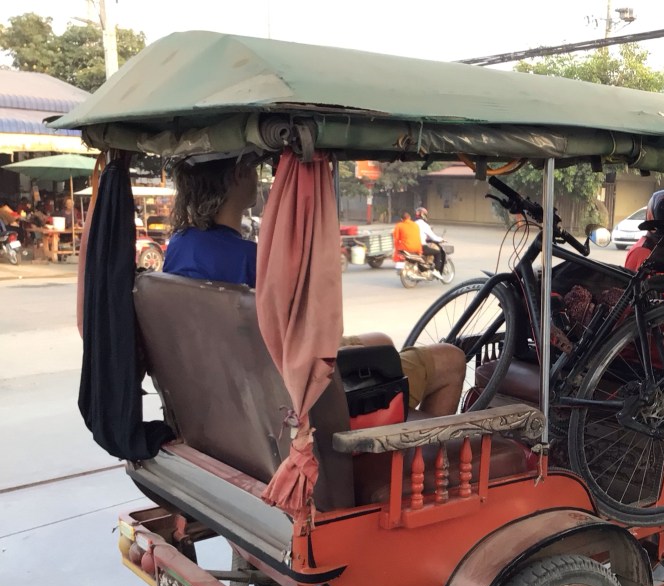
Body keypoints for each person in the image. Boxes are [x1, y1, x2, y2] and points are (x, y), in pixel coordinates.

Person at [162, 155, 466, 416]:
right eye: (254, 167)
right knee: (451, 358)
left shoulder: (180, 245)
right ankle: (420, 455)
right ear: (237, 175)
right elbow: (313, 334)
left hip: (232, 378)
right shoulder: (252, 260)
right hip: (291, 389)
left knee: (382, 341)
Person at [414, 207, 447, 274]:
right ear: (423, 215)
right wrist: (442, 239)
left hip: (413, 246)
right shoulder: (424, 225)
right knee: (438, 252)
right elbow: (433, 237)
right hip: (421, 247)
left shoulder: (413, 224)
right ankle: (436, 271)